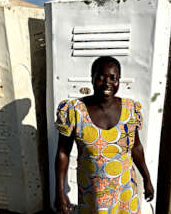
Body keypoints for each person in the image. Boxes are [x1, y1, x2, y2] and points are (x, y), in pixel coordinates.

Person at [54, 56, 154, 214]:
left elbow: (136, 148)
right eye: (100, 77)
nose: (107, 83)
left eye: (113, 78)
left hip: (124, 192)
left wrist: (147, 179)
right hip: (92, 195)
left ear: (119, 80)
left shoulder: (130, 110)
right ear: (92, 79)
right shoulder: (75, 111)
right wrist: (60, 192)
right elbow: (63, 153)